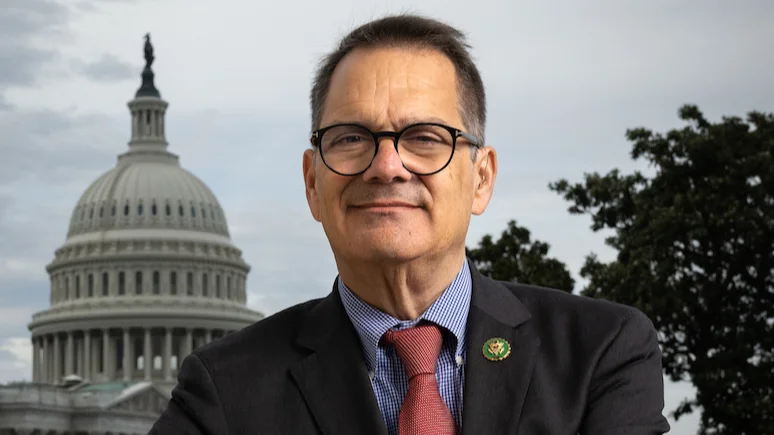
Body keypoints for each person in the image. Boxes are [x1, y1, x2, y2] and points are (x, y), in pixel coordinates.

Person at [149, 14, 670, 435]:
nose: (387, 166)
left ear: (481, 178)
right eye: (351, 138)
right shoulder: (225, 389)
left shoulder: (600, 351)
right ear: (312, 183)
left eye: (424, 137)